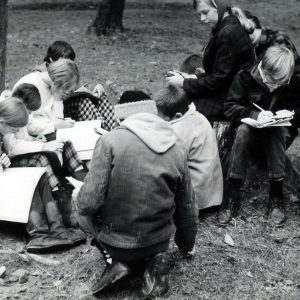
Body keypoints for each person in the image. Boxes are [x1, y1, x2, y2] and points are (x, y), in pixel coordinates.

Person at [76, 97, 198, 298]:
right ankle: (153, 262)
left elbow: (88, 203)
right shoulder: (178, 146)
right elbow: (187, 205)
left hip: (117, 243)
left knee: (79, 204)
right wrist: (187, 245)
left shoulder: (110, 141)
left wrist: (79, 197)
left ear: (123, 117)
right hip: (158, 240)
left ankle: (116, 261)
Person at [220, 46, 296, 226]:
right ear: (263, 69)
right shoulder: (245, 76)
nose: (274, 87)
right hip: (245, 134)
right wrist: (254, 115)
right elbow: (229, 107)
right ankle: (233, 193)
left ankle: (276, 196)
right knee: (244, 131)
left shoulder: (290, 81)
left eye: (280, 83)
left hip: (277, 134)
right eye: (271, 82)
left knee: (275, 131)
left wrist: (287, 114)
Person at [0, 97, 85, 253]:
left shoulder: (2, 128)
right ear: (2, 121)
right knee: (28, 179)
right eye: (14, 129)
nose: (15, 132)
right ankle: (38, 232)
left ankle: (57, 228)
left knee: (39, 174)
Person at [166, 0, 255, 122]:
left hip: (232, 101)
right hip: (230, 92)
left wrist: (184, 83)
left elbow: (219, 80)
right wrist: (193, 77)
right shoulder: (226, 26)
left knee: (178, 105)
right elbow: (222, 72)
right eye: (200, 14)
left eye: (205, 12)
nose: (202, 18)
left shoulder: (227, 33)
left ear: (218, 7)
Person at [155, 85, 223, 212]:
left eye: (160, 117)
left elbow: (167, 164)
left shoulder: (178, 131)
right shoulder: (197, 116)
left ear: (177, 116)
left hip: (195, 199)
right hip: (211, 194)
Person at [33, 40, 117, 131]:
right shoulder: (40, 76)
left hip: (68, 104)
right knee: (85, 103)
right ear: (51, 60)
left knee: (101, 99)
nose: (67, 65)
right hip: (56, 115)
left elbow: (76, 86)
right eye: (64, 62)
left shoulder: (66, 70)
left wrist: (94, 87)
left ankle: (114, 132)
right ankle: (100, 134)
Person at [13, 58, 80, 137]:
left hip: (45, 129)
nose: (66, 92)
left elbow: (58, 119)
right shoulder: (29, 86)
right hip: (26, 134)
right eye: (66, 88)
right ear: (58, 80)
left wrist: (57, 99)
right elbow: (25, 126)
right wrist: (53, 125)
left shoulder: (55, 88)